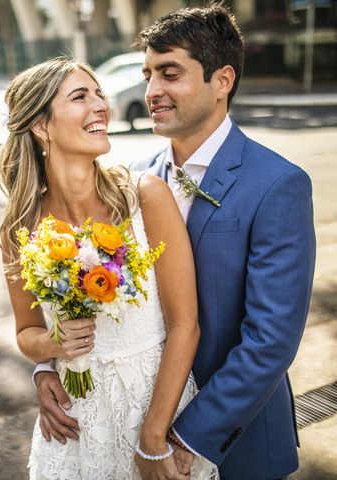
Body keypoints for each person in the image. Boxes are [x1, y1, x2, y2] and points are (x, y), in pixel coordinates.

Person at [34, 5, 316, 480]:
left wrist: (182, 439)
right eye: (147, 75)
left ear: (222, 80)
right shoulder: (130, 178)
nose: (151, 92)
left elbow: (270, 341)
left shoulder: (278, 184)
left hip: (232, 440)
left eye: (169, 74)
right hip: (132, 420)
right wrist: (47, 366)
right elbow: (80, 290)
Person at [0, 57, 218, 479]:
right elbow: (27, 334)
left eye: (99, 94)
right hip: (75, 423)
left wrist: (153, 437)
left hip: (157, 405)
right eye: (80, 97)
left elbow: (185, 326)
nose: (101, 105)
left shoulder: (145, 197)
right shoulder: (20, 228)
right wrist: (51, 349)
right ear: (41, 126)